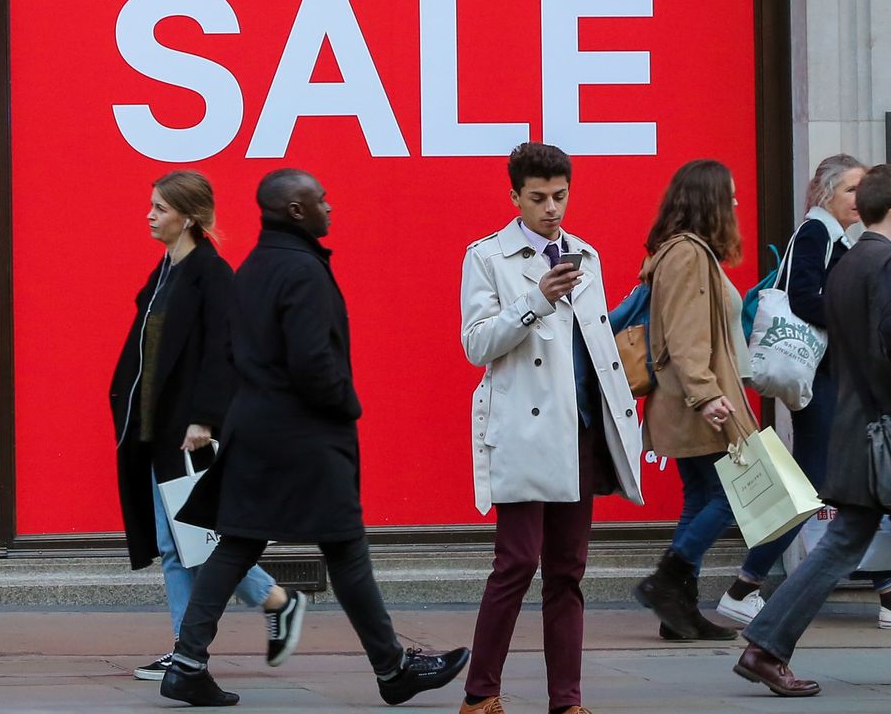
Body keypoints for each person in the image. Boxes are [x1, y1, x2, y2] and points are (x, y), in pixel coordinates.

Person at [160, 168, 469, 708]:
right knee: (345, 548)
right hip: (306, 436)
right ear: (296, 211)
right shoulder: (301, 270)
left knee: (235, 544)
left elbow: (237, 353)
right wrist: (348, 405)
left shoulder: (255, 266)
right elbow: (312, 363)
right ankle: (392, 669)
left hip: (254, 429)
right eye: (320, 200)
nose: (331, 207)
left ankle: (187, 663)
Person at [735, 164, 891, 697]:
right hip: (887, 435)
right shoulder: (885, 266)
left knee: (889, 542)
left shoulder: (849, 262)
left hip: (858, 428)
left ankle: (765, 647)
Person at [456, 143, 644, 714]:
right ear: (514, 197)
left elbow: (594, 349)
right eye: (538, 197)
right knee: (516, 563)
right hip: (525, 432)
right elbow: (476, 344)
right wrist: (535, 300)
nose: (552, 208)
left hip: (580, 429)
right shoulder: (487, 256)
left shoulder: (586, 254)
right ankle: (480, 694)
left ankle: (567, 701)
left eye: (560, 196)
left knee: (569, 570)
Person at [109, 171, 300, 681]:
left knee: (187, 542)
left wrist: (205, 418)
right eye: (150, 205)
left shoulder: (210, 273)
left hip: (185, 432)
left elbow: (225, 350)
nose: (149, 214)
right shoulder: (165, 272)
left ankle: (189, 648)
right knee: (185, 541)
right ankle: (274, 602)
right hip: (156, 430)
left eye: (159, 207)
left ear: (188, 217)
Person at [629, 158, 756, 642]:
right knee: (730, 497)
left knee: (702, 497)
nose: (737, 202)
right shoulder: (688, 254)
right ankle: (667, 578)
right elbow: (684, 336)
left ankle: (678, 613)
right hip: (696, 402)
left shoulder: (684, 251)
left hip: (688, 400)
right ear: (711, 200)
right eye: (730, 193)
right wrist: (706, 394)